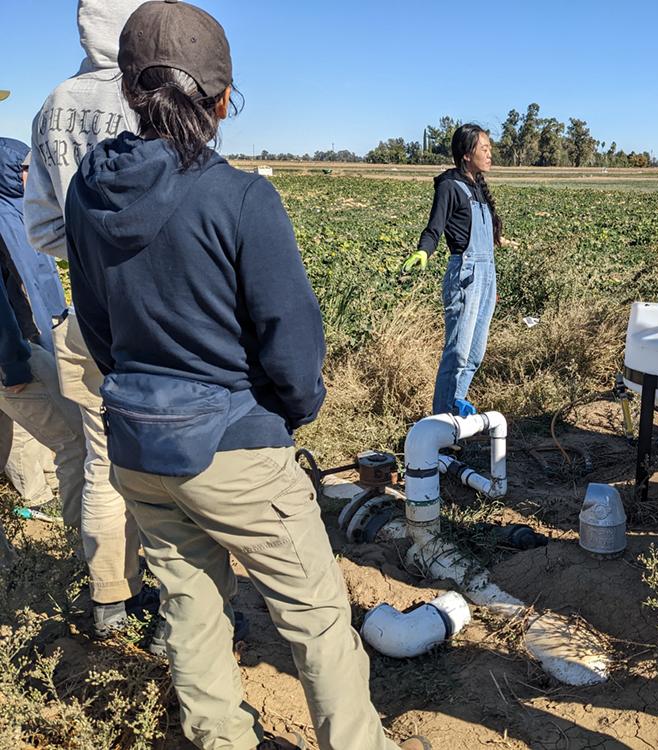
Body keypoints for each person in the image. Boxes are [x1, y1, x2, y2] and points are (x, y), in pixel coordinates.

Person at [64, 3, 429, 749]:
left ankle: (218, 740)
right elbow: (291, 339)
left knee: (190, 607)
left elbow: (96, 328)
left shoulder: (88, 192)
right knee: (318, 616)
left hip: (138, 446)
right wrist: (289, 413)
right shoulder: (240, 197)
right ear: (222, 98)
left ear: (132, 91)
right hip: (234, 445)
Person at [24, 0, 150, 637]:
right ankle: (184, 609)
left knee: (102, 462)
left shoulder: (53, 103)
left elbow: (41, 225)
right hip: (152, 317)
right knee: (164, 463)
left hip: (85, 316)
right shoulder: (149, 94)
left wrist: (86, 249)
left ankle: (108, 601)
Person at [0, 137, 85, 539]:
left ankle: (45, 487)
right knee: (72, 440)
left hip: (32, 333)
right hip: (13, 347)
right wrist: (12, 361)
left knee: (32, 424)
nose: (33, 176)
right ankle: (67, 526)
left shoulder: (26, 208)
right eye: (25, 169)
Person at [404, 124, 502, 416]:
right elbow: (434, 228)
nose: (489, 153)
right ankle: (442, 420)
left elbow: (484, 234)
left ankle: (454, 406)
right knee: (457, 354)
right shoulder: (450, 186)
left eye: (489, 147)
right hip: (466, 276)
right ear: (466, 154)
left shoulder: (478, 188)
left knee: (474, 355)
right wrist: (423, 251)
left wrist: (491, 285)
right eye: (483, 148)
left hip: (486, 278)